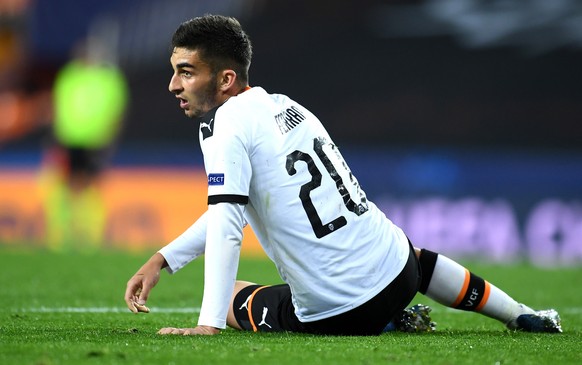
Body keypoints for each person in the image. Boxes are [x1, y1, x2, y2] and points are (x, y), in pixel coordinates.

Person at [124, 15, 561, 336]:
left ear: (225, 78)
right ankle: (518, 312)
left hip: (340, 312)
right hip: (400, 273)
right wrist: (163, 258)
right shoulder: (288, 107)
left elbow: (227, 223)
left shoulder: (224, 126)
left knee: (238, 294)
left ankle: (387, 323)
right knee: (415, 256)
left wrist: (208, 325)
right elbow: (232, 207)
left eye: (186, 72)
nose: (173, 85)